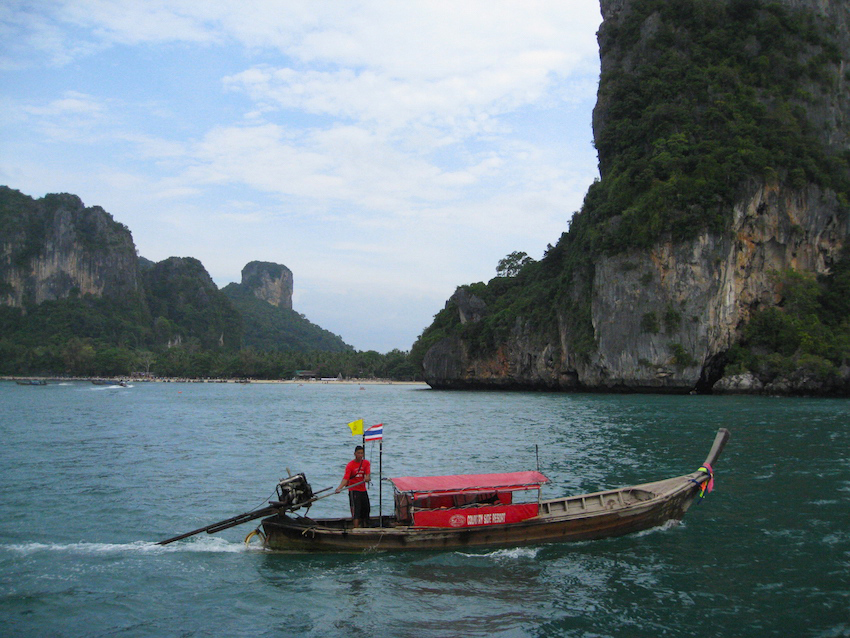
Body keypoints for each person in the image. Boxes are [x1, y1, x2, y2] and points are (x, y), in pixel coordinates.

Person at [335, 445, 371, 527]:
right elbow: (345, 479)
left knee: (366, 509)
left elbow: (367, 475)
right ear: (355, 454)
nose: (360, 455)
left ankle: (365, 527)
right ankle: (356, 528)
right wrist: (339, 488)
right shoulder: (350, 465)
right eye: (358, 453)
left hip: (363, 490)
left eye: (362, 453)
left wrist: (367, 478)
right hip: (353, 490)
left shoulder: (366, 463)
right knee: (356, 511)